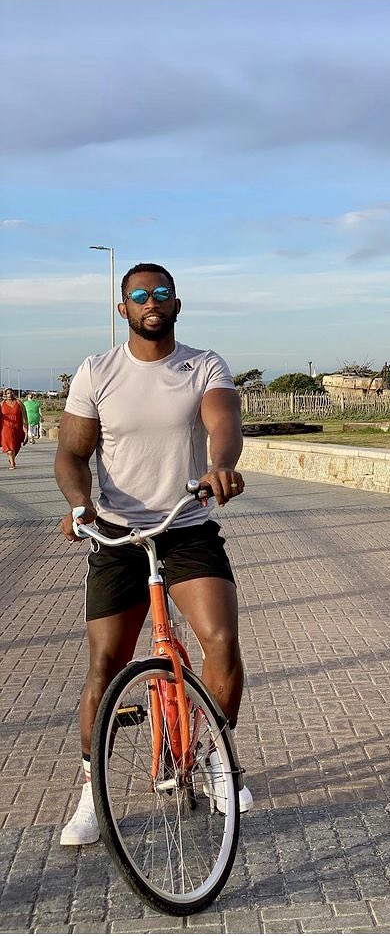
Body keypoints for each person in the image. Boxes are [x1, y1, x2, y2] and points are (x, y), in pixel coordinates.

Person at [55, 262, 252, 847]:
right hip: (117, 534)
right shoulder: (98, 371)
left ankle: (217, 758)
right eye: (138, 295)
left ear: (176, 304)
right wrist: (79, 504)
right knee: (104, 665)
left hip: (186, 526)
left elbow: (224, 421)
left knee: (220, 641)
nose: (151, 302)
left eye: (161, 293)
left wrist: (222, 466)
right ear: (123, 310)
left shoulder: (202, 365)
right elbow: (70, 454)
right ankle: (94, 792)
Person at [1, 389, 28, 469]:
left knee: (16, 446)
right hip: (6, 427)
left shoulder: (19, 403)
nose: (10, 394)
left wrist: (26, 431)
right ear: (5, 394)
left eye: (11, 393)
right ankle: (12, 463)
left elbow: (24, 418)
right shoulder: (2, 404)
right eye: (8, 393)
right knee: (10, 446)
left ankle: (12, 458)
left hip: (17, 428)